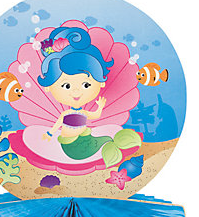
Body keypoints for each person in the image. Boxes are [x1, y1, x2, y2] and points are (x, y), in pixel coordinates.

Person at [37, 26, 141, 168]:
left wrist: (100, 107)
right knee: (104, 140)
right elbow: (58, 123)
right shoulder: (67, 114)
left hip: (84, 140)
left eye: (86, 85)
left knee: (106, 139)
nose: (76, 92)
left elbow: (95, 115)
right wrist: (49, 134)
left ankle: (116, 146)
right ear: (48, 86)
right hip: (71, 146)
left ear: (101, 82)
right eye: (66, 86)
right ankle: (113, 146)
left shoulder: (82, 113)